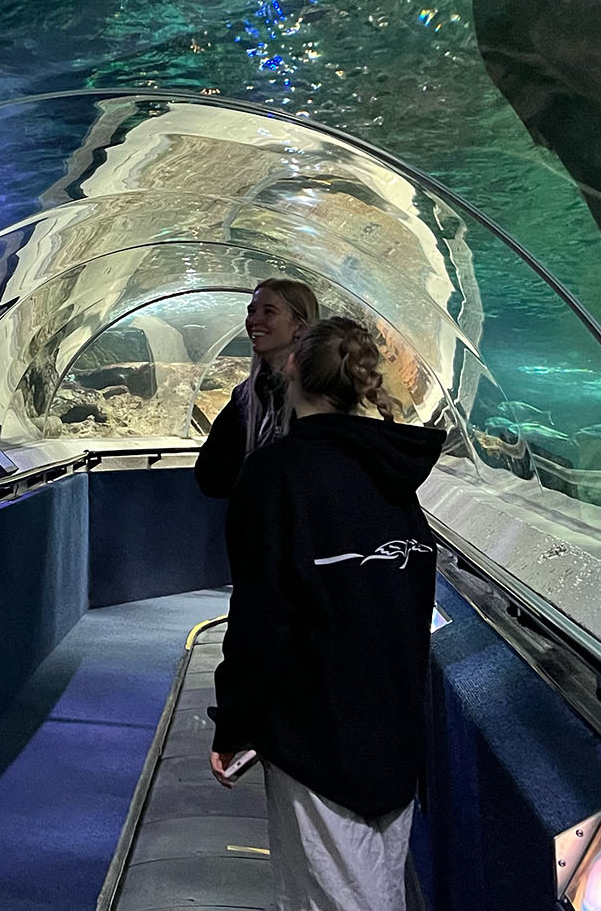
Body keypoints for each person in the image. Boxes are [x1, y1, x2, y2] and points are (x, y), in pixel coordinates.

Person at [207, 317, 446, 911]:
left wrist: (235, 721)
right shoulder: (395, 473)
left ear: (291, 366)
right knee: (381, 888)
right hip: (393, 726)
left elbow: (259, 615)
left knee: (330, 897)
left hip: (314, 728)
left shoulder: (274, 475)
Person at [194, 278, 321, 498]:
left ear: (299, 326)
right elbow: (210, 475)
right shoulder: (247, 395)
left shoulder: (319, 391)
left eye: (268, 312)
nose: (254, 320)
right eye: (252, 311)